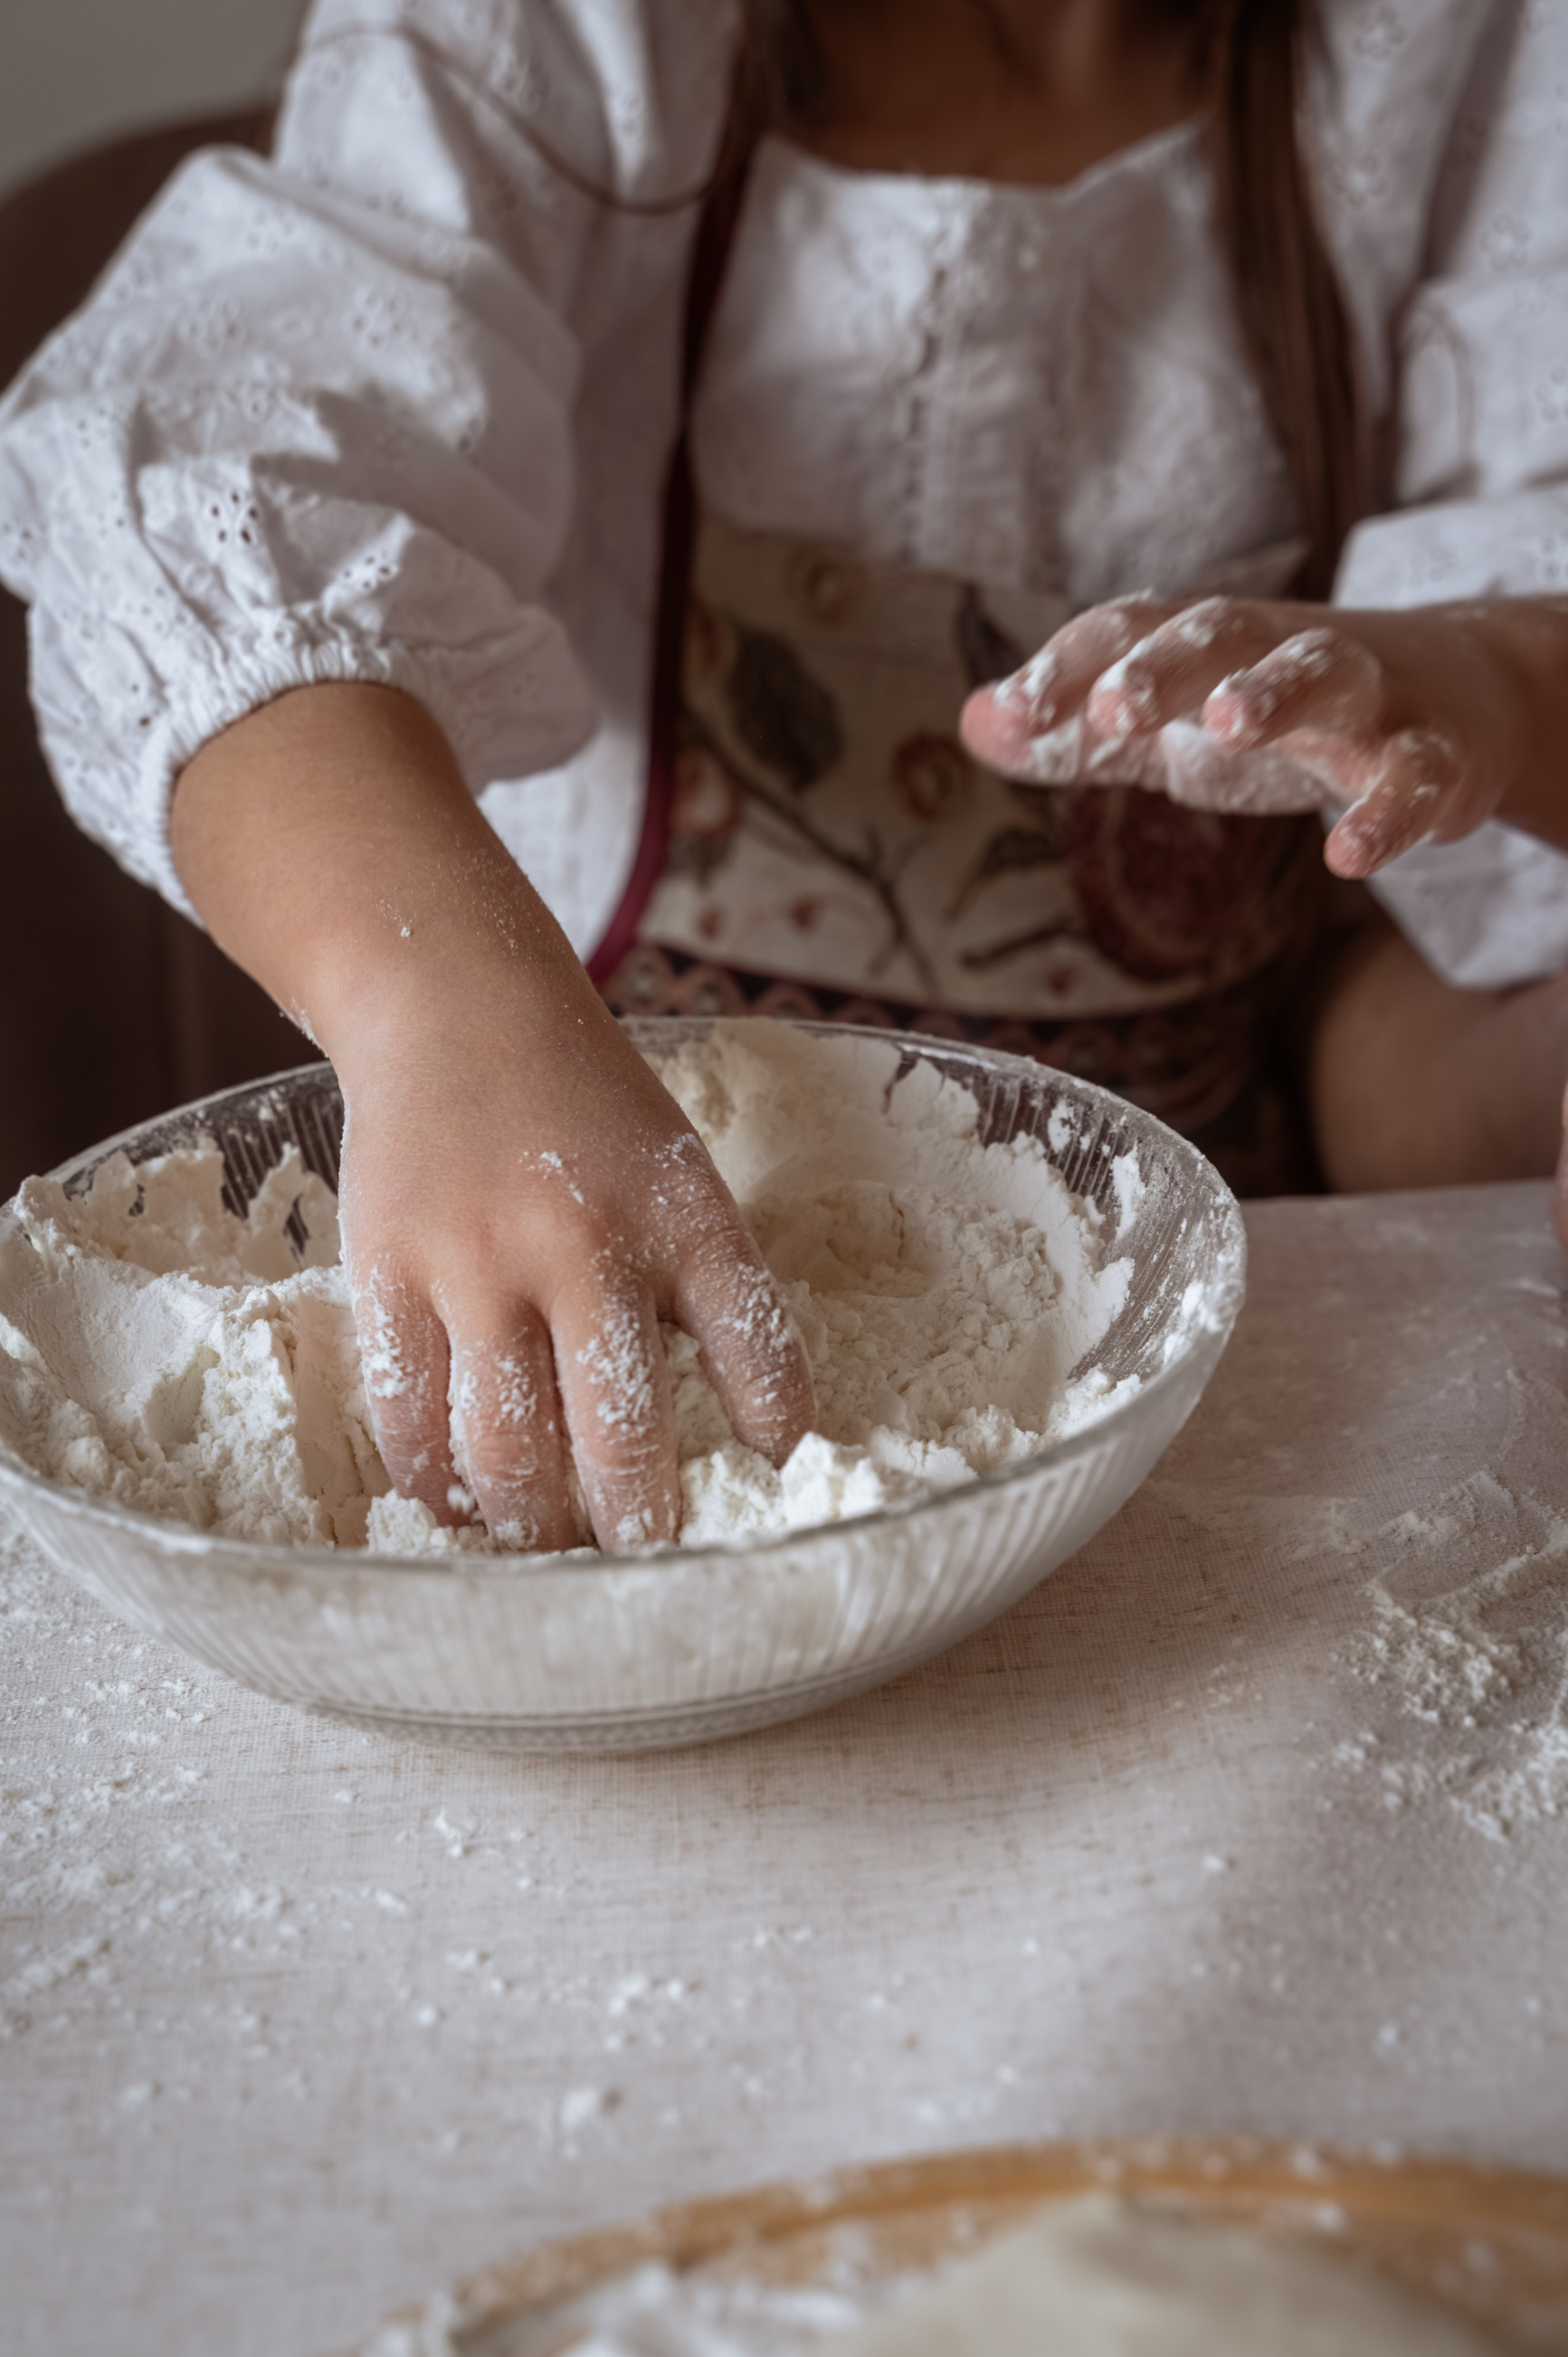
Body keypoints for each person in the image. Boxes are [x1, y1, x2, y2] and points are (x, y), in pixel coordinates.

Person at [2, 0, 1567, 1553]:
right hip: (571, 1240)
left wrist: (1499, 684)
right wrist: (440, 1007)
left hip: (1181, 1389)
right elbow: (220, 501)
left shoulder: (1464, 62)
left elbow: (1375, 1071)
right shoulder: (571, 42)